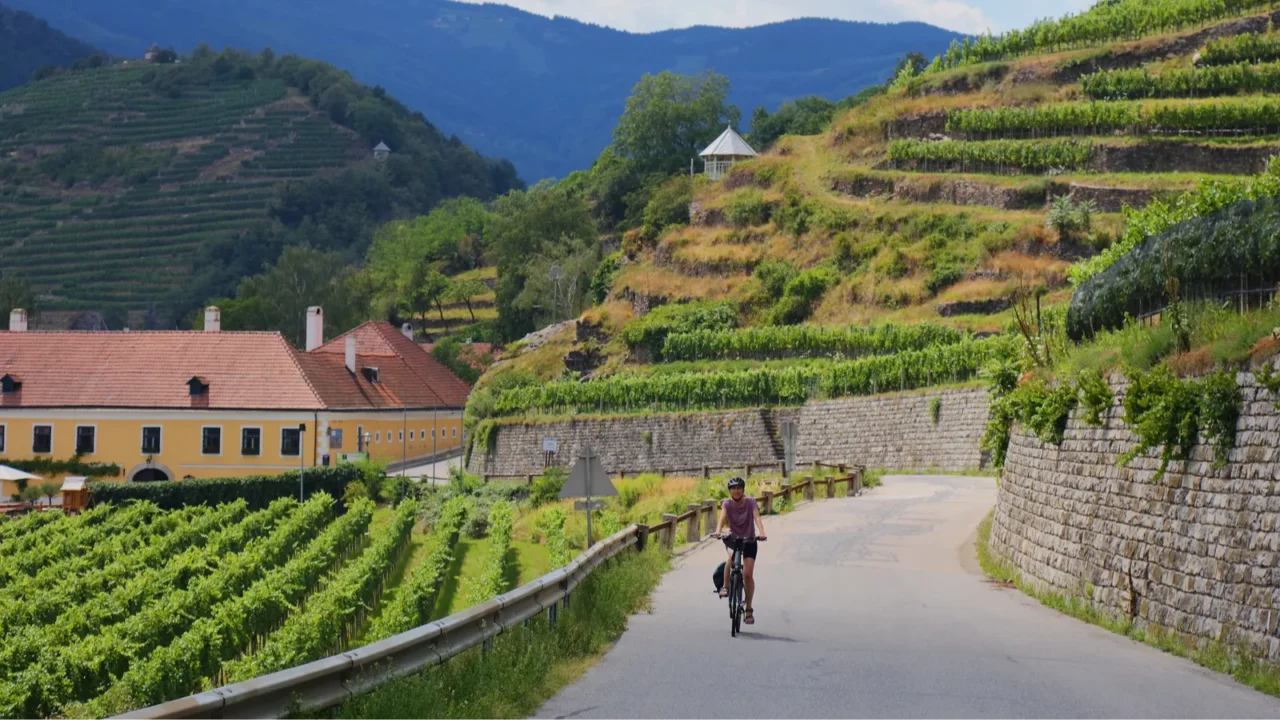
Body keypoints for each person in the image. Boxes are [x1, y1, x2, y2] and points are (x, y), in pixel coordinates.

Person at [715, 476, 766, 625]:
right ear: (729, 491)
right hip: (733, 539)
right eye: (733, 489)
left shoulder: (751, 502)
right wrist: (718, 531)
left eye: (738, 488)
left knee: (747, 575)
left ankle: (748, 609)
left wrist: (762, 532)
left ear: (743, 490)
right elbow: (722, 518)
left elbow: (757, 518)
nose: (736, 491)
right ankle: (725, 587)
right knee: (730, 559)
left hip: (749, 540)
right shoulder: (727, 503)